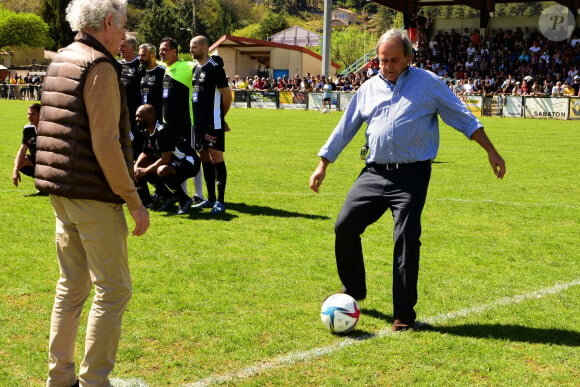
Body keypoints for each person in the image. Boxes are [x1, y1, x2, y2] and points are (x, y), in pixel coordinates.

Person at [309, 29, 505, 332]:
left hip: (411, 176)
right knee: (344, 226)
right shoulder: (368, 88)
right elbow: (345, 127)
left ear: (409, 58)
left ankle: (403, 314)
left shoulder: (428, 84)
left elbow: (463, 116)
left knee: (405, 239)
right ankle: (354, 290)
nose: (386, 66)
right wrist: (323, 163)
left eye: (394, 60)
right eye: (382, 60)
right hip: (374, 172)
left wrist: (491, 150)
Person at [33, 0, 150, 385]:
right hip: (91, 193)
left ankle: (60, 377)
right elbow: (106, 144)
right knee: (113, 290)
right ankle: (94, 380)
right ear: (107, 22)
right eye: (123, 25)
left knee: (72, 287)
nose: (125, 35)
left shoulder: (64, 57)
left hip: (61, 191)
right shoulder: (98, 66)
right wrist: (134, 201)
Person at [189, 35, 233, 214]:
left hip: (213, 123)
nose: (191, 50)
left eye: (194, 47)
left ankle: (220, 202)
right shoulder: (195, 69)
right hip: (198, 123)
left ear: (205, 47)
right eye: (190, 47)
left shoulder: (215, 69)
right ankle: (210, 198)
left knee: (217, 159)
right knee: (204, 159)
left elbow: (227, 95)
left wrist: (221, 117)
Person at [134, 104, 200, 214]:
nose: (136, 119)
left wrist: (145, 171)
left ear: (150, 116)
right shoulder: (147, 131)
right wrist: (136, 167)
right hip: (173, 162)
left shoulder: (163, 131)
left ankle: (184, 199)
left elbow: (165, 159)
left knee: (161, 170)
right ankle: (167, 196)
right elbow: (145, 152)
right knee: (139, 166)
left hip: (189, 162)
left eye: (139, 116)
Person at [119, 34, 142, 159]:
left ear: (133, 47)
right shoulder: (117, 65)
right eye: (120, 46)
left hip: (135, 118)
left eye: (124, 46)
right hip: (120, 116)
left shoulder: (140, 65)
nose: (120, 49)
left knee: (136, 151)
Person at [12, 103, 42, 190]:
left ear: (40, 114)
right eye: (28, 114)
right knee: (18, 162)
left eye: (33, 114)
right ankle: (40, 180)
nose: (29, 116)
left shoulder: (48, 128)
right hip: (35, 159)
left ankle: (46, 182)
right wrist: (15, 170)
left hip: (48, 161)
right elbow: (22, 149)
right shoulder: (28, 129)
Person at [138, 43, 165, 119]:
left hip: (158, 117)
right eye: (139, 55)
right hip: (144, 117)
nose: (140, 58)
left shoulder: (162, 72)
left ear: (152, 55)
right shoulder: (141, 71)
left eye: (143, 55)